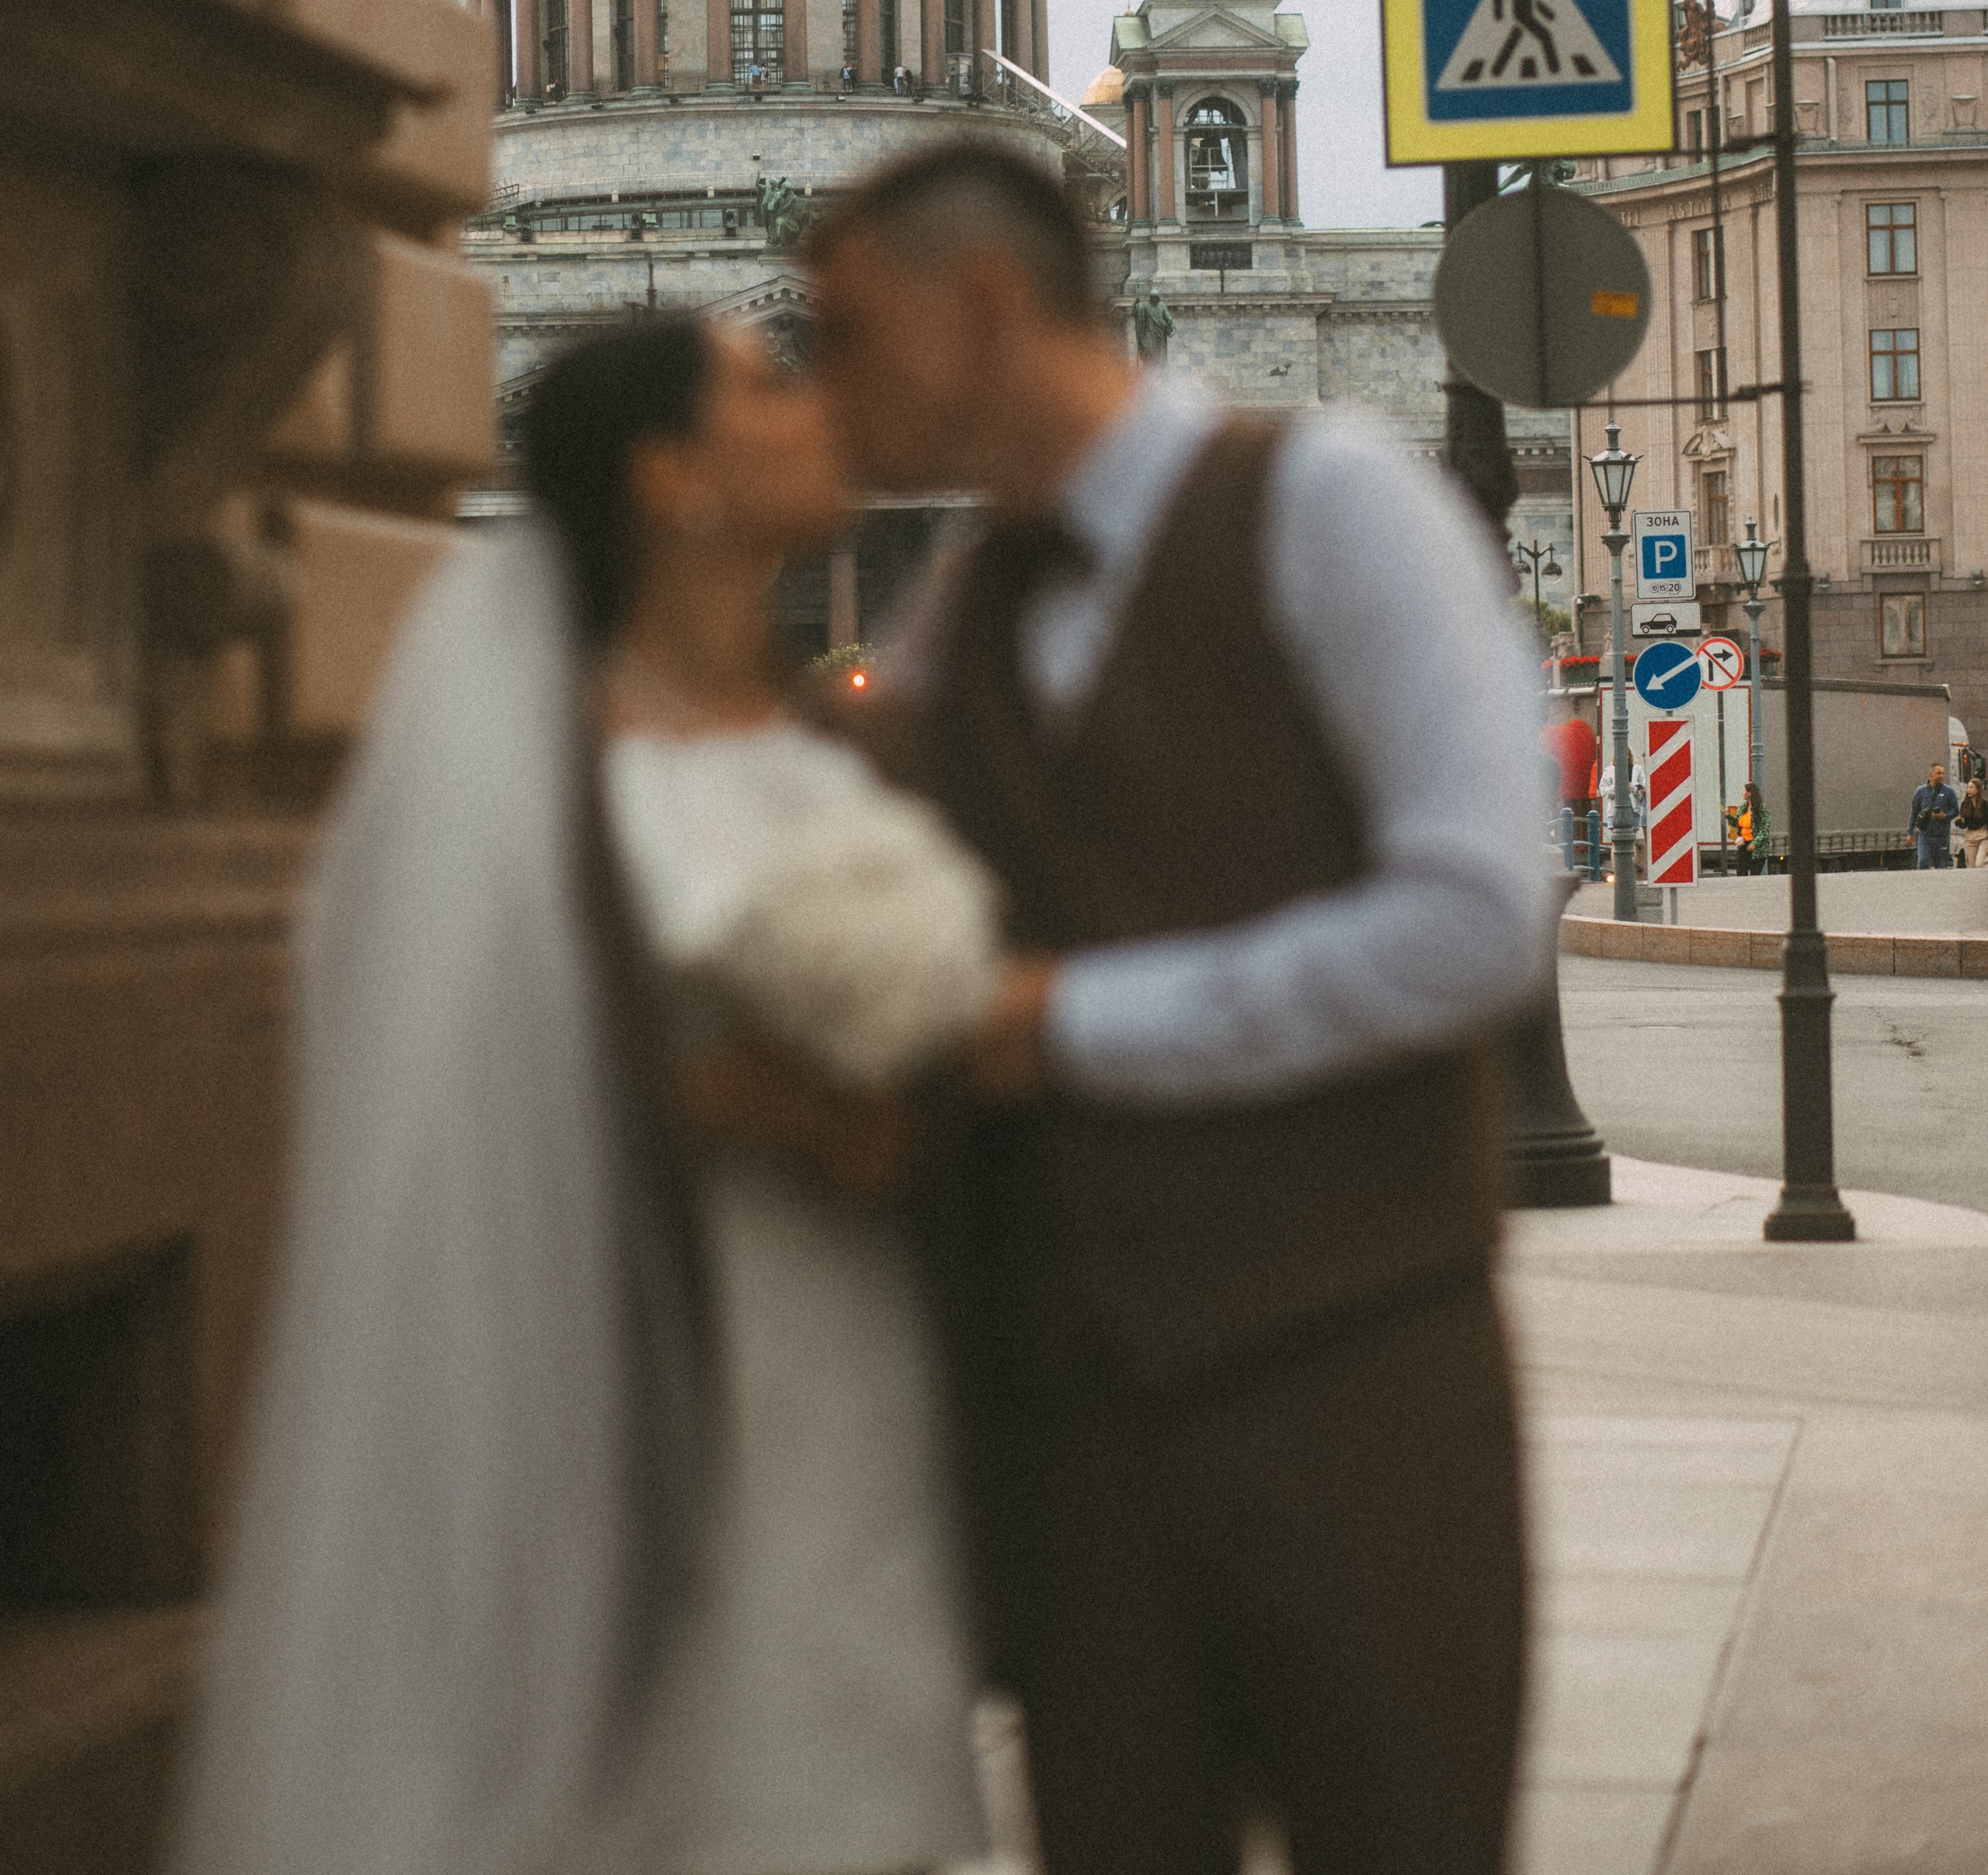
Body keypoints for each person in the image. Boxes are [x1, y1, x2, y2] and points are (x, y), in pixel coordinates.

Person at [808, 139, 1556, 1875]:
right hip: (1080, 1441)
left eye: (847, 335)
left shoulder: (1336, 500)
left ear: (981, 306)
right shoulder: (960, 611)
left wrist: (1067, 1028)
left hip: (1357, 1400)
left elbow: (1475, 919)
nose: (820, 381)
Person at [172, 317, 1003, 1875]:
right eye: (766, 383)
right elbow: (448, 1098)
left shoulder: (832, 736)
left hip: (852, 1359)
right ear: (671, 479)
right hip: (648, 1363)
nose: (817, 401)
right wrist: (758, 1103)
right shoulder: (520, 786)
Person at [1910, 756, 1960, 869]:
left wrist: (1945, 816)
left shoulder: (1949, 791)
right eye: (1939, 773)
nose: (1941, 776)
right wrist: (1910, 832)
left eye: (1943, 773)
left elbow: (1956, 810)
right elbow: (1914, 812)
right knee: (1923, 861)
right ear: (1931, 774)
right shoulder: (1921, 791)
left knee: (1941, 865)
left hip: (1942, 836)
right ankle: (1921, 883)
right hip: (1925, 834)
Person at [1958, 767, 1988, 870]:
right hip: (1970, 837)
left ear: (1978, 790)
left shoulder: (1985, 804)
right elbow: (1963, 824)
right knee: (1971, 867)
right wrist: (1961, 822)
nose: (1968, 790)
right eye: (1968, 788)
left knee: (1979, 863)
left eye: (1971, 788)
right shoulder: (1965, 804)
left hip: (1983, 836)